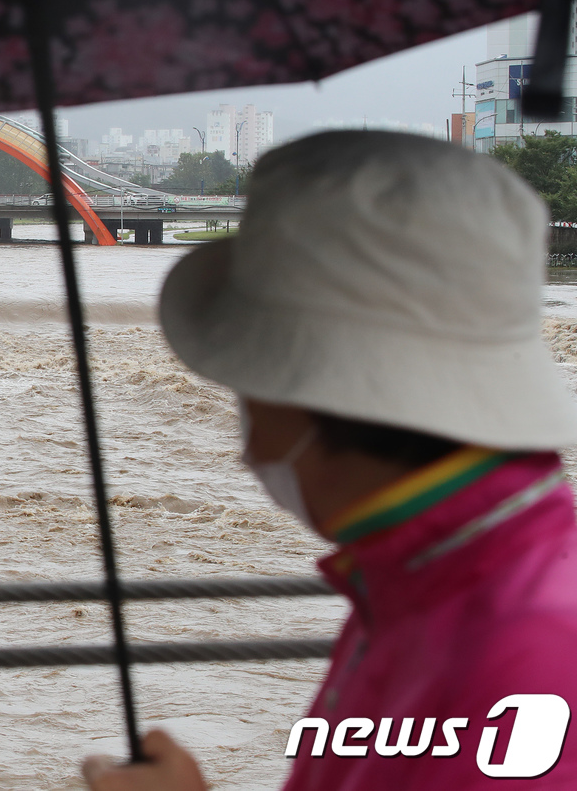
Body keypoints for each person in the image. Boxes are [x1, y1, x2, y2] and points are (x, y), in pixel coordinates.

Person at [83, 130, 577, 789]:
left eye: (246, 385)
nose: (249, 447)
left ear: (309, 390)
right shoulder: (422, 576)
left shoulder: (524, 656)